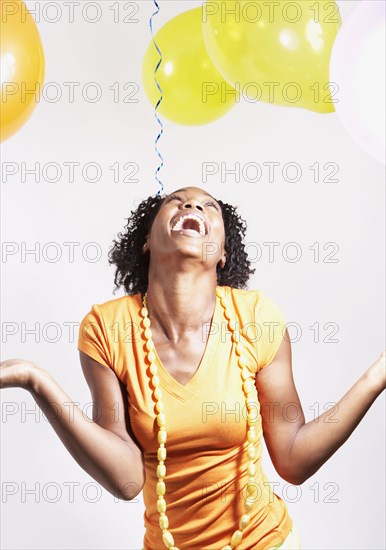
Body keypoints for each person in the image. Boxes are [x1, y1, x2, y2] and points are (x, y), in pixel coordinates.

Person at [1, 186, 385, 550]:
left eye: (209, 206)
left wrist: (376, 376)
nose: (193, 206)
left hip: (264, 542)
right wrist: (34, 379)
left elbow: (293, 458)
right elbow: (127, 480)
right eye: (177, 201)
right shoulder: (106, 328)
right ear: (147, 241)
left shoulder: (255, 317)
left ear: (222, 253)